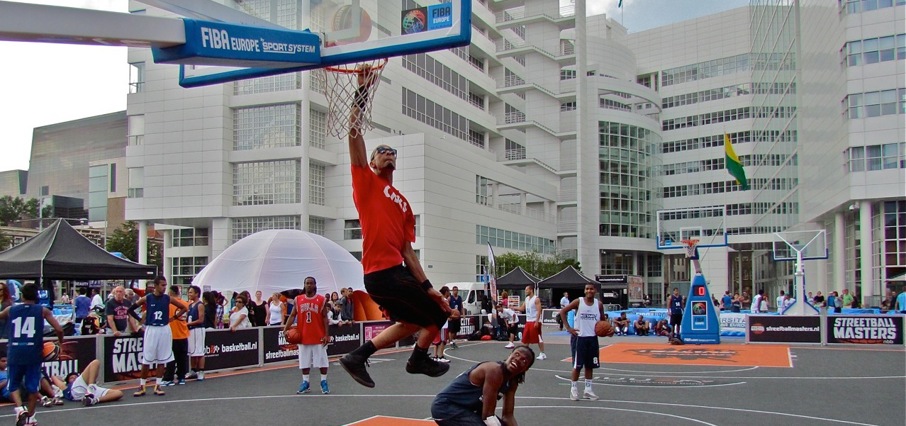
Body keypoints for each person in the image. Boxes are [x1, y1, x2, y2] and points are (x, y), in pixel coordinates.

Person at [339, 70, 451, 389]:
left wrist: (428, 286)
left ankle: (357, 357)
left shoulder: (402, 203)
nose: (388, 153)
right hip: (381, 271)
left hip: (396, 269)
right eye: (382, 151)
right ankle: (416, 360)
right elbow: (353, 131)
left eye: (393, 152)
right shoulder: (366, 181)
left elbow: (407, 252)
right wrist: (362, 91)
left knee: (419, 320)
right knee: (436, 318)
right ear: (372, 161)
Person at [0, 282, 64, 425]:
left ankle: (19, 408)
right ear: (36, 297)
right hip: (33, 352)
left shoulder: (11, 310)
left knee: (13, 384)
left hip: (15, 351)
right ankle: (30, 417)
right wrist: (60, 342)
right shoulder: (42, 310)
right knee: (33, 387)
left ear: (22, 296)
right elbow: (59, 329)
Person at [431, 345, 535, 426]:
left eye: (524, 360)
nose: (518, 359)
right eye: (516, 354)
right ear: (510, 355)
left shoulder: (512, 382)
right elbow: (488, 416)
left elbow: (508, 415)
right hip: (445, 408)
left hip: (467, 410)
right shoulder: (494, 370)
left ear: (525, 369)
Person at [128, 276, 188, 397]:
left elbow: (184, 308)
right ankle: (142, 385)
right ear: (155, 286)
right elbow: (131, 309)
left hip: (164, 329)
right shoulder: (148, 298)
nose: (164, 287)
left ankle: (158, 385)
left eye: (165, 285)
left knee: (162, 358)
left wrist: (174, 318)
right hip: (152, 328)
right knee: (147, 358)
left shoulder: (167, 298)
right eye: (162, 285)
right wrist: (141, 320)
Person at [284, 276, 330, 395]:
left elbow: (325, 318)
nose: (308, 285)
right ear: (304, 285)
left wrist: (326, 334)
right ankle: (306, 382)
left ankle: (323, 382)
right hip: (303, 335)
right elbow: (292, 315)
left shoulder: (321, 299)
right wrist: (286, 329)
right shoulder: (298, 299)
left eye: (311, 283)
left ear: (315, 285)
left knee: (322, 361)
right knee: (304, 361)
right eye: (306, 283)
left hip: (318, 335)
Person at [559, 283, 605, 401]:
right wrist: (569, 328)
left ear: (595, 291)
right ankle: (573, 390)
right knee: (577, 366)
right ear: (585, 291)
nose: (589, 290)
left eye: (591, 289)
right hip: (580, 338)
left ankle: (588, 390)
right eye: (587, 289)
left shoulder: (598, 305)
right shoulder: (578, 302)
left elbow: (603, 322)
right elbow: (562, 312)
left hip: (592, 338)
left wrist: (606, 330)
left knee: (590, 366)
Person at [49, 359, 123, 406]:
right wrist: (61, 379)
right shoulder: (66, 386)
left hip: (88, 391)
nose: (73, 378)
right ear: (68, 380)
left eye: (75, 377)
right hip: (77, 390)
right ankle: (91, 387)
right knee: (96, 362)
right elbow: (53, 376)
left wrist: (95, 399)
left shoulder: (84, 378)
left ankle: (93, 400)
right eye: (71, 378)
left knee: (119, 393)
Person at [161, 285, 189, 386]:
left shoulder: (169, 304)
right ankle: (181, 377)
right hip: (183, 333)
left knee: (171, 358)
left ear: (171, 293)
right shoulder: (185, 303)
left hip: (173, 334)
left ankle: (169, 378)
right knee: (182, 357)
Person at [514, 285, 546, 360]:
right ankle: (525, 353)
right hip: (528, 321)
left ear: (531, 290)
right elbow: (522, 308)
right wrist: (513, 307)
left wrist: (537, 321)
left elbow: (539, 311)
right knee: (526, 338)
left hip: (534, 320)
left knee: (538, 338)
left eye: (527, 290)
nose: (525, 291)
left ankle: (542, 353)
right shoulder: (526, 299)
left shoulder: (536, 299)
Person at [185, 286, 206, 381]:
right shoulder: (190, 305)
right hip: (191, 330)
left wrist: (188, 323)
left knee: (200, 351)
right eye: (189, 292)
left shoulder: (200, 305)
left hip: (198, 330)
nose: (189, 294)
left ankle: (201, 371)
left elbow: (201, 319)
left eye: (191, 292)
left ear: (197, 293)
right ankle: (193, 370)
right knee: (192, 351)